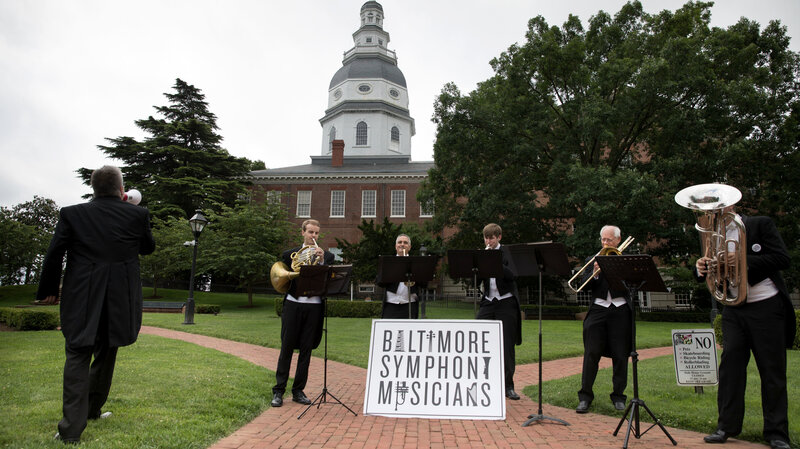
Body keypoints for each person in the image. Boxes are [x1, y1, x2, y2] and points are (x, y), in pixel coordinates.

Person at [36, 165, 155, 444]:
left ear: (94, 189)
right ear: (121, 189)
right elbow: (147, 247)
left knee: (77, 355)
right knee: (106, 352)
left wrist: (50, 290)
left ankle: (73, 427)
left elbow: (54, 253)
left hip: (81, 295)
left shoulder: (72, 214)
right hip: (119, 300)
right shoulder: (138, 214)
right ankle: (90, 411)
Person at [696, 209, 793, 449]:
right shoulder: (711, 234)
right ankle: (725, 427)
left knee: (772, 371)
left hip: (765, 305)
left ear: (730, 205)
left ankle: (776, 433)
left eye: (718, 206)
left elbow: (783, 259)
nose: (713, 211)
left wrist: (743, 259)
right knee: (730, 368)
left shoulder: (760, 224)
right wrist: (701, 268)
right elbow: (709, 268)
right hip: (733, 307)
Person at [271, 219, 335, 408]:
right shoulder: (289, 255)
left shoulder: (327, 257)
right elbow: (282, 280)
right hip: (293, 304)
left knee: (306, 350)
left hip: (314, 306)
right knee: (287, 348)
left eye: (316, 233)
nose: (313, 236)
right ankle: (278, 391)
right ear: (303, 233)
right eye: (310, 232)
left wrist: (321, 260)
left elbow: (328, 275)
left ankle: (298, 391)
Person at [576, 225, 632, 414]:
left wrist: (616, 270)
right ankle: (585, 397)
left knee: (620, 355)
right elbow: (583, 287)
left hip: (619, 310)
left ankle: (618, 396)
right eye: (603, 240)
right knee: (591, 353)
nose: (605, 243)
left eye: (609, 240)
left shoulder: (626, 261)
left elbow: (631, 287)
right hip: (598, 309)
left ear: (618, 240)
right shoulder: (593, 260)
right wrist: (595, 273)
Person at [476, 223, 522, 400]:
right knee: (478, 337)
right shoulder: (483, 253)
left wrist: (494, 261)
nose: (489, 241)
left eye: (492, 238)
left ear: (499, 237)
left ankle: (508, 386)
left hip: (506, 302)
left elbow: (513, 275)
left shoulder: (508, 253)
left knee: (507, 344)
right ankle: (482, 381)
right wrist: (480, 264)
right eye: (486, 238)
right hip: (489, 301)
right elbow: (477, 280)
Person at [376, 234, 424, 319]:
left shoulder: (417, 263)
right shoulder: (388, 262)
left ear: (409, 247)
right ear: (396, 246)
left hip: (410, 304)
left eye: (405, 243)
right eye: (399, 242)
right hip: (391, 304)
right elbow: (379, 282)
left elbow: (424, 284)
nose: (402, 244)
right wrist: (391, 273)